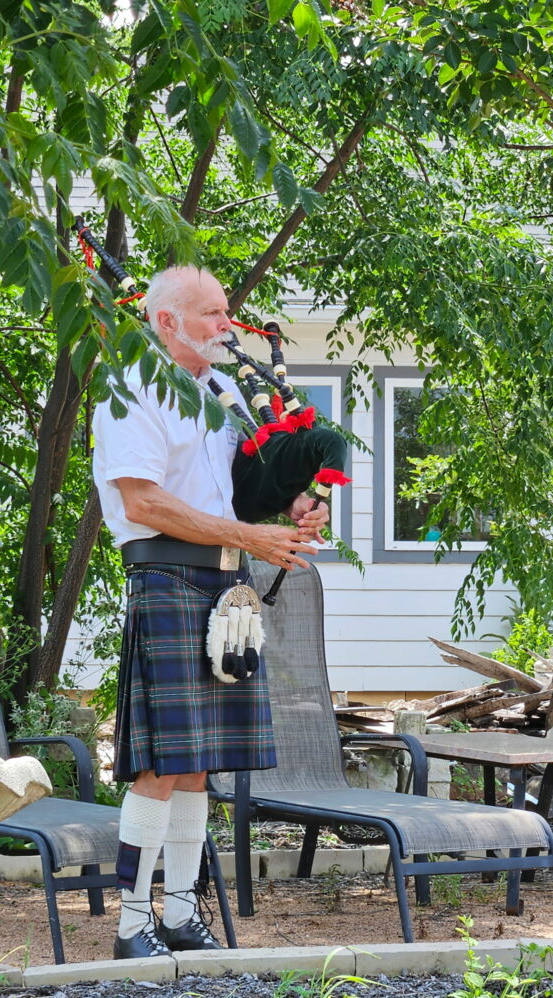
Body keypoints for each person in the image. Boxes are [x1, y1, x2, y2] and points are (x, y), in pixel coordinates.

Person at [92, 265, 329, 960]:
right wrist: (249, 536)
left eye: (228, 311)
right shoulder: (131, 386)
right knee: (164, 764)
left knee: (200, 764)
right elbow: (143, 502)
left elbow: (237, 489)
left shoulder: (219, 395)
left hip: (226, 585)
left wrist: (293, 504)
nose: (228, 324)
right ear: (167, 322)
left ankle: (177, 916)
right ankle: (130, 927)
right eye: (213, 313)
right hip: (165, 575)